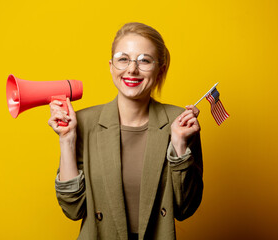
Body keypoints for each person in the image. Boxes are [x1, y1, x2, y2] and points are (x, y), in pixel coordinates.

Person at [48, 22, 203, 240]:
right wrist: (67, 139)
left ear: (161, 68)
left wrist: (179, 145)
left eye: (144, 60)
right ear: (111, 66)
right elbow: (72, 209)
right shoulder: (83, 122)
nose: (132, 69)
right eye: (123, 59)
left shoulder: (179, 122)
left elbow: (185, 208)